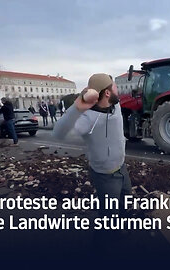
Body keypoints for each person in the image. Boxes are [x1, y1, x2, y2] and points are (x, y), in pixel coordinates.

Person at [53, 73, 131, 217]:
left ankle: (122, 226)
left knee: (125, 200)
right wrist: (76, 107)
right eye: (113, 85)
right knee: (109, 214)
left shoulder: (116, 104)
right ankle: (105, 238)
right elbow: (58, 133)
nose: (117, 87)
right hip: (105, 175)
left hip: (121, 167)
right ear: (107, 92)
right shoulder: (87, 119)